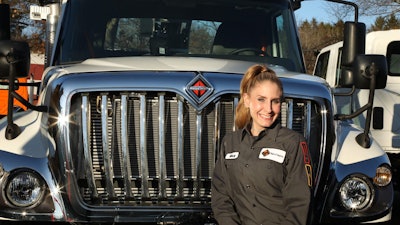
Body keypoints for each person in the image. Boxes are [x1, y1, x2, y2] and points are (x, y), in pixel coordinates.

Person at [211, 64, 313, 225]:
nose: (269, 109)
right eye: (261, 100)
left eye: (275, 101)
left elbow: (298, 205)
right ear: (247, 100)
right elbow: (221, 197)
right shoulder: (230, 143)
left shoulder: (293, 143)